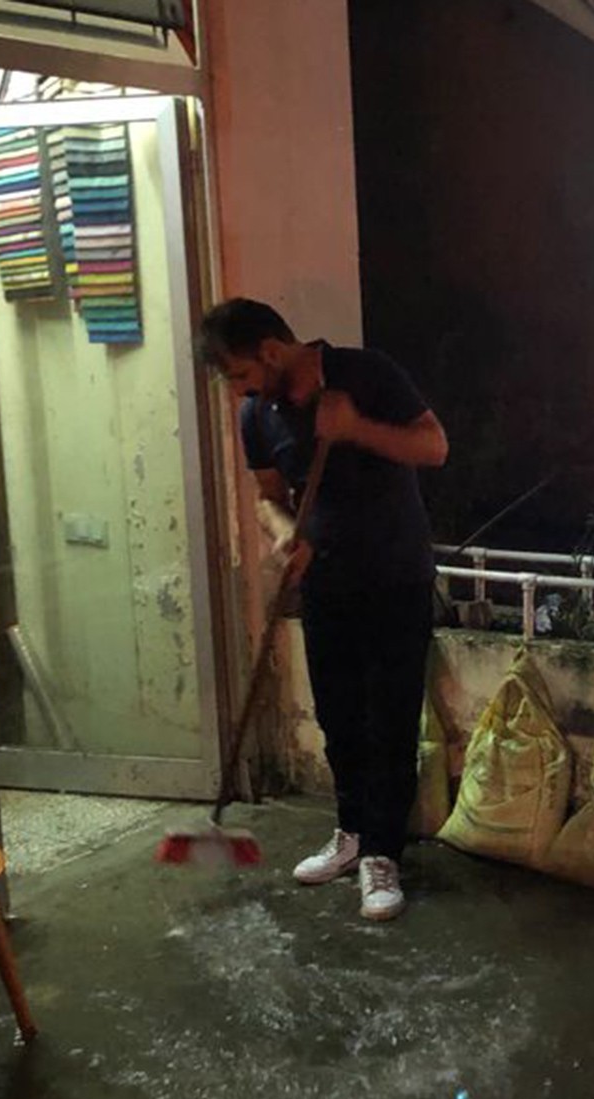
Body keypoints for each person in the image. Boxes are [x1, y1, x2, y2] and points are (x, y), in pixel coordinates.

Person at [198, 298, 447, 921]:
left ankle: (384, 855)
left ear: (272, 351)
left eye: (239, 374)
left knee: (390, 720)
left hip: (396, 578)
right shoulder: (258, 414)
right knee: (340, 718)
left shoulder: (366, 374)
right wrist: (285, 532)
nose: (238, 390)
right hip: (327, 585)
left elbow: (434, 446)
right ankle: (352, 834)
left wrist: (358, 428)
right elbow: (266, 497)